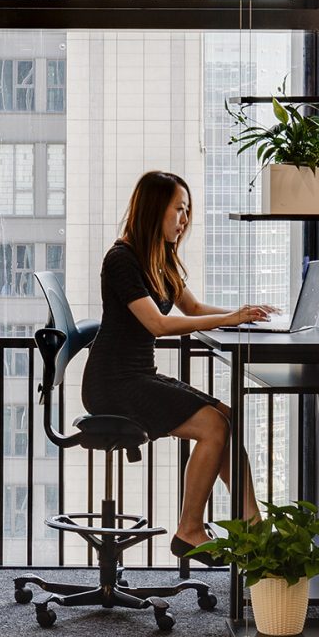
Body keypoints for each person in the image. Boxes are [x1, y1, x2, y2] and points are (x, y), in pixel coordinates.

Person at [81, 171, 275, 564]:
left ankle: (252, 523)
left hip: (138, 375)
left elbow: (195, 309)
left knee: (225, 415)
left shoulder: (162, 257)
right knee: (213, 426)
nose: (185, 220)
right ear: (155, 209)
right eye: (179, 210)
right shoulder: (122, 259)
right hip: (113, 383)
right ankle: (190, 530)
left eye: (188, 212)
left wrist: (248, 314)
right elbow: (159, 324)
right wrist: (231, 320)